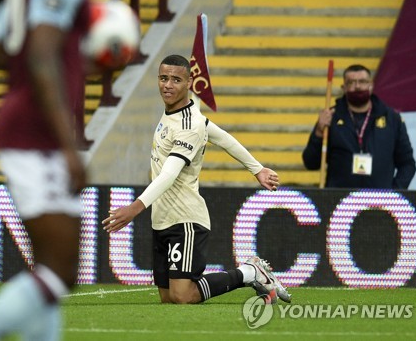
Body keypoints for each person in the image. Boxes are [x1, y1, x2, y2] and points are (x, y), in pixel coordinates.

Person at [0, 0, 89, 339]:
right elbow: (41, 55)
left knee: (49, 265)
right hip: (36, 134)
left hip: (21, 125)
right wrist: (69, 146)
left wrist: (72, 59)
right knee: (62, 269)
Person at [102, 54, 291, 305]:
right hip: (162, 218)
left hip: (185, 219)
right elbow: (223, 137)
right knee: (168, 297)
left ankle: (249, 272)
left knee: (183, 295)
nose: (168, 85)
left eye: (176, 80)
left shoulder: (190, 125)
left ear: (189, 82)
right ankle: (249, 272)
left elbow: (170, 173)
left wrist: (134, 208)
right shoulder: (182, 113)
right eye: (163, 78)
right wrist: (257, 169)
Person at [302, 64, 416, 189]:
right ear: (344, 87)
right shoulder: (331, 117)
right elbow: (310, 163)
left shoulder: (392, 119)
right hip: (339, 201)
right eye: (351, 82)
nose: (357, 86)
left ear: (371, 85)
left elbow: (407, 164)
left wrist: (394, 192)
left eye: (362, 81)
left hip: (380, 201)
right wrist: (318, 132)